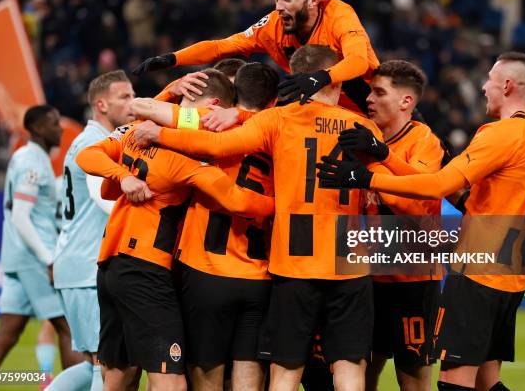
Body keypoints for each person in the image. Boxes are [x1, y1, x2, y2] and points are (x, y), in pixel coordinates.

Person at [131, 45, 383, 391]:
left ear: (294, 81)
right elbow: (381, 195)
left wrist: (161, 131)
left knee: (284, 371)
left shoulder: (274, 122)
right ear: (336, 82)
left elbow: (214, 144)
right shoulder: (366, 128)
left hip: (288, 262)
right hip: (346, 261)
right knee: (350, 369)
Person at [317, 52, 525, 391]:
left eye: (489, 79)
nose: (483, 86)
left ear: (506, 85)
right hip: (510, 274)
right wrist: (390, 158)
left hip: (478, 275)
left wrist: (367, 176)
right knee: (487, 383)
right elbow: (469, 200)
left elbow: (437, 185)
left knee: (452, 383)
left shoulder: (502, 133)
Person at [75, 69, 275, 391]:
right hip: (147, 269)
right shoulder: (187, 162)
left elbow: (89, 158)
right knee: (171, 383)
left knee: (119, 375)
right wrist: (281, 205)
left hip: (110, 264)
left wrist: (121, 176)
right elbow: (237, 201)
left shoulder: (136, 131)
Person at [132, 62, 278, 390]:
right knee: (249, 383)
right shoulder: (280, 134)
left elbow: (142, 106)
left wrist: (176, 88)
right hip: (259, 277)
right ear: (273, 102)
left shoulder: (209, 123)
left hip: (206, 271)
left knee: (206, 382)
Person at [132, 0, 379, 109]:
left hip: (374, 108)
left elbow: (359, 62)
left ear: (313, 1)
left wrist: (318, 78)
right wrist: (173, 59)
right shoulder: (273, 24)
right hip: (321, 112)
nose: (279, 6)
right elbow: (221, 47)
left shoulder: (338, 14)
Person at [338, 61, 446, 391]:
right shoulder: (362, 137)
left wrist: (372, 169)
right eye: (370, 91)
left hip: (410, 279)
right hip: (365, 278)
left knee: (412, 379)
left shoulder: (424, 142)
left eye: (379, 92)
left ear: (406, 102)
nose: (369, 99)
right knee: (361, 371)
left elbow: (414, 206)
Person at [0, 105, 82, 391]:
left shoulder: (25, 158)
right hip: (35, 257)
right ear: (36, 129)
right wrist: (48, 259)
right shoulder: (33, 162)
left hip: (16, 256)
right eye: (54, 123)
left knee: (6, 334)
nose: (60, 128)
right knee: (69, 329)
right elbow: (22, 215)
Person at [48, 70, 136, 391]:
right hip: (86, 267)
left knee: (95, 362)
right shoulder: (95, 144)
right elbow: (104, 200)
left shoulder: (87, 142)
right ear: (101, 104)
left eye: (133, 94)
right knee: (107, 362)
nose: (133, 102)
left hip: (77, 263)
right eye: (124, 97)